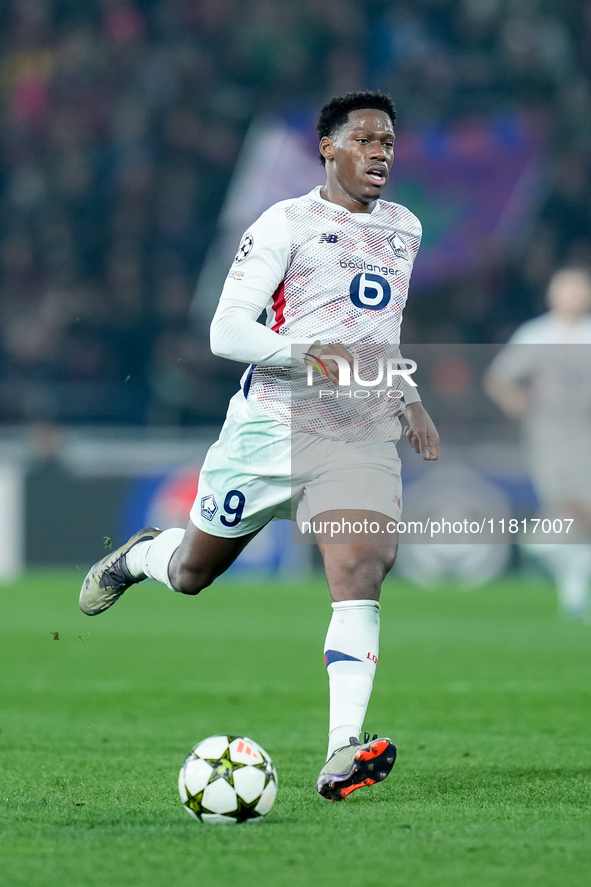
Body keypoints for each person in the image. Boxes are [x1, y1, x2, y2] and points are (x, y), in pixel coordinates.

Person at [79, 90, 440, 800]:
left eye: (388, 143)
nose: (379, 154)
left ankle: (342, 750)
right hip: (271, 427)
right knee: (191, 572)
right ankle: (141, 554)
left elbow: (380, 335)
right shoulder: (285, 223)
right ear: (327, 148)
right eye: (364, 140)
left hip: (357, 434)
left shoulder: (405, 228)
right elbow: (226, 331)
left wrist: (407, 396)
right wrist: (305, 352)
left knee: (363, 563)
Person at [485, 266, 591, 620]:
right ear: (553, 295)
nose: (575, 295)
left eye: (580, 288)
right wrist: (514, 400)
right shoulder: (537, 333)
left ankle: (562, 573)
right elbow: (498, 377)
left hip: (586, 433)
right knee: (569, 505)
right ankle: (545, 548)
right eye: (568, 289)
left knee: (580, 518)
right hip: (549, 435)